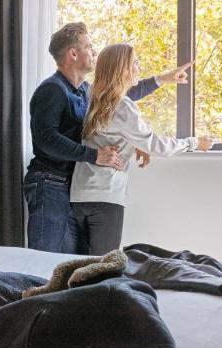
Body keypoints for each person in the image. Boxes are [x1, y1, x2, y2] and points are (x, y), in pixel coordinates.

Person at [24, 23, 191, 254]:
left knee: (72, 262)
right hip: (49, 181)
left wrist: (161, 80)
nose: (94, 52)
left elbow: (117, 96)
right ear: (73, 53)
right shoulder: (52, 90)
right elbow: (46, 138)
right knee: (44, 258)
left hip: (70, 184)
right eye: (89, 47)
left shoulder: (84, 90)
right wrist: (94, 155)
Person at [70, 43, 214, 255]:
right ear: (123, 70)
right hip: (106, 197)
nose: (139, 66)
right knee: (103, 268)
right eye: (135, 63)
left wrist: (135, 144)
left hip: (79, 195)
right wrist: (194, 143)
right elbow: (156, 145)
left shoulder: (92, 98)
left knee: (80, 267)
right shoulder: (122, 106)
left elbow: (111, 134)